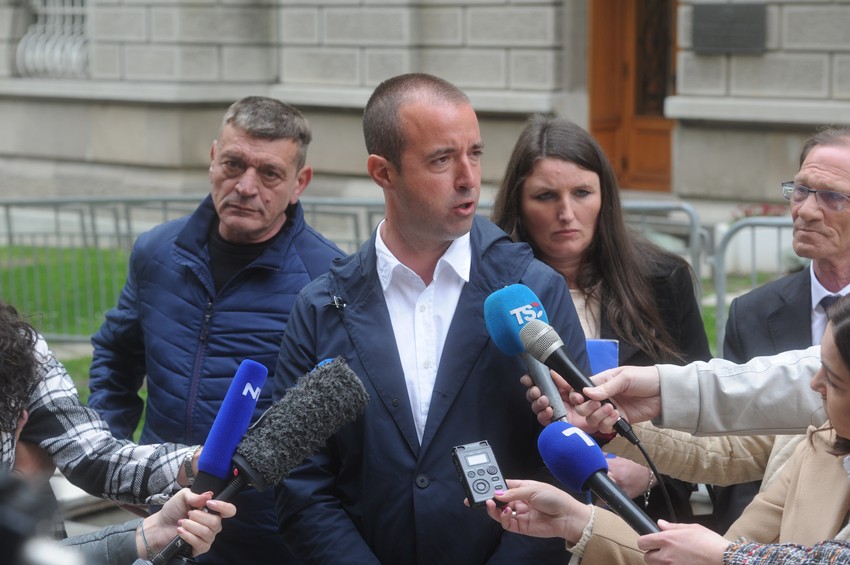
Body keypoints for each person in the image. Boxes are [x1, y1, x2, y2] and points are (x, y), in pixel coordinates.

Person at [272, 73, 591, 564]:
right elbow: (299, 480)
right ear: (383, 172)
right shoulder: (322, 306)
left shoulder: (529, 290)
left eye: (475, 154)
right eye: (442, 160)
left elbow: (567, 457)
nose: (468, 178)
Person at [87, 96, 345, 564]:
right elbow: (115, 358)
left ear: (299, 183)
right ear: (212, 159)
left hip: (269, 537)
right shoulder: (156, 253)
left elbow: (340, 423)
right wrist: (117, 466)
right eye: (233, 164)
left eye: (269, 173)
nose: (245, 186)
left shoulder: (328, 280)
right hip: (164, 515)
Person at [485, 294, 850, 563]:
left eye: (833, 380)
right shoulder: (818, 445)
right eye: (816, 366)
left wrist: (725, 557)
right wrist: (574, 519)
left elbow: (729, 555)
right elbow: (724, 544)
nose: (814, 384)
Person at [491, 115, 710, 522]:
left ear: (605, 196)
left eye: (582, 193)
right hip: (533, 515)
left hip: (648, 520)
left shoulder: (663, 280)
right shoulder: (496, 296)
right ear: (518, 203)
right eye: (545, 196)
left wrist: (651, 473)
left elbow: (696, 403)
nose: (566, 213)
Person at [716, 125, 850, 530]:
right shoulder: (751, 313)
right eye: (802, 190)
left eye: (832, 197)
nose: (805, 210)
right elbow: (731, 443)